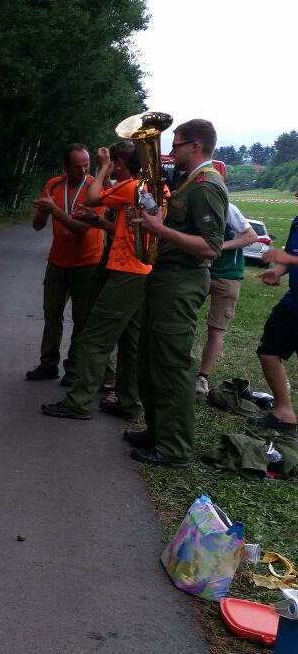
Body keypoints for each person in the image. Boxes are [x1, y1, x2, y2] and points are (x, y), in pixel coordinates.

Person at [125, 118, 227, 468]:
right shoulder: (188, 182)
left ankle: (175, 448)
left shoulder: (206, 185)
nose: (170, 150)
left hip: (182, 282)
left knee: (172, 365)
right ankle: (158, 432)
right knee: (151, 359)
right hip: (167, 278)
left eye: (176, 143)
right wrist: (152, 215)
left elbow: (211, 248)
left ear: (195, 146)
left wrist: (160, 230)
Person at [41, 143, 150, 422]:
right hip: (143, 271)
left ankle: (79, 402)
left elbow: (92, 199)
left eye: (112, 162)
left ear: (120, 163)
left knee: (93, 338)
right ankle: (128, 402)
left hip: (125, 271)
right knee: (131, 340)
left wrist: (102, 169)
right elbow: (129, 229)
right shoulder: (151, 190)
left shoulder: (130, 187)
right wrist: (98, 222)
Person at [26, 144, 101, 386]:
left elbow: (81, 229)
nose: (83, 170)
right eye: (77, 167)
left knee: (82, 319)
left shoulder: (95, 189)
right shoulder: (53, 185)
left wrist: (55, 210)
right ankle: (48, 364)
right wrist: (42, 212)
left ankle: (74, 368)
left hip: (87, 263)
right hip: (57, 262)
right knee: (51, 314)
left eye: (87, 165)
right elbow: (38, 225)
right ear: (66, 166)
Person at [196, 200, 257, 397]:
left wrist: (221, 245)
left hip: (228, 275)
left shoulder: (227, 208)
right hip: (198, 270)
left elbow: (251, 236)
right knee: (182, 319)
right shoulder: (193, 203)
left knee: (216, 328)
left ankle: (202, 377)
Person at [255, 200, 298, 433]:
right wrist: (277, 270)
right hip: (293, 303)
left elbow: (291, 257)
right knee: (268, 350)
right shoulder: (297, 221)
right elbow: (291, 255)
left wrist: (289, 260)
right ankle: (284, 413)